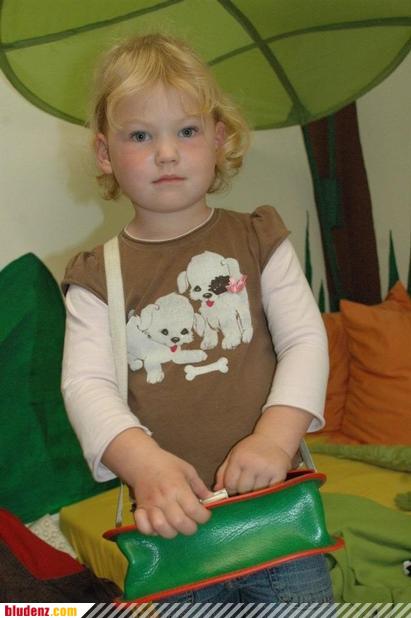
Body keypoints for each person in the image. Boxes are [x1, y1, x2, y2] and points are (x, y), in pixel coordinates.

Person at [61, 33, 333, 604]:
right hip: (173, 530)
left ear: (219, 138)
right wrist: (145, 465)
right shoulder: (96, 276)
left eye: (186, 131)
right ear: (105, 154)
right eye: (140, 135)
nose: (166, 153)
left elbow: (306, 341)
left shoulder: (259, 238)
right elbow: (86, 385)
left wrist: (275, 439)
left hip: (278, 517)